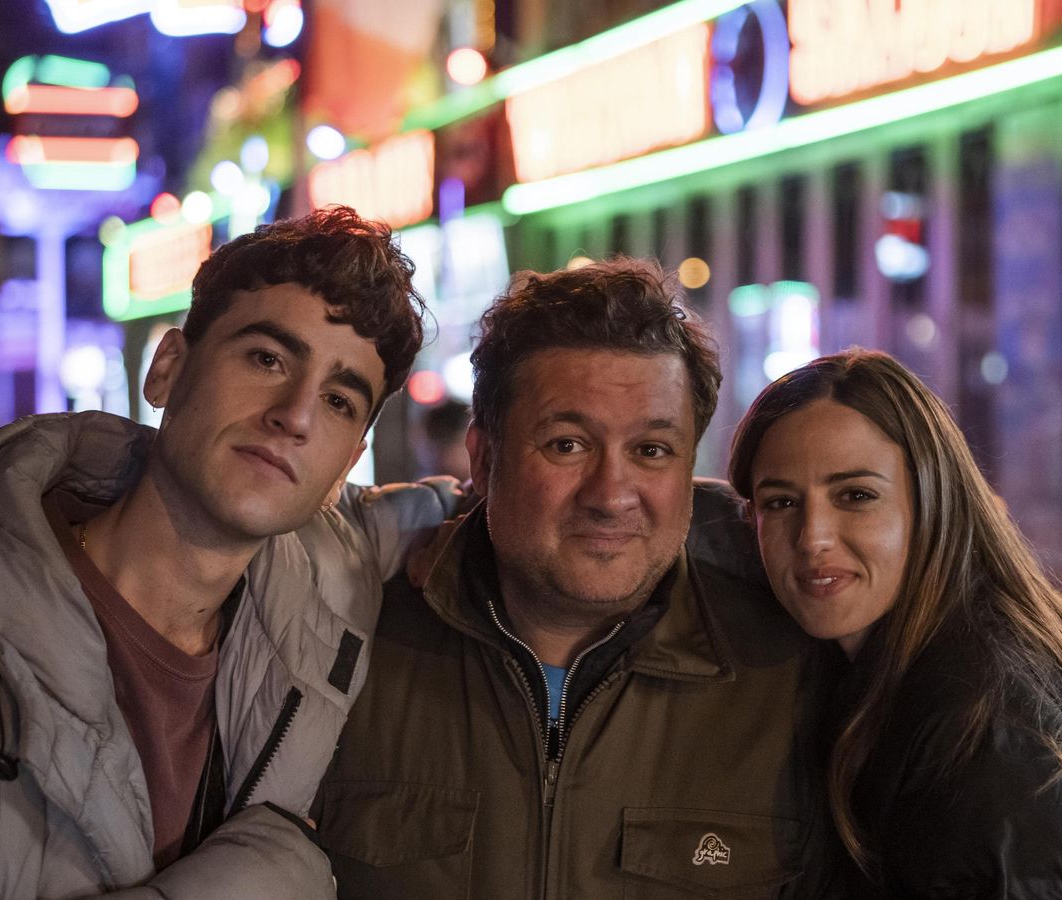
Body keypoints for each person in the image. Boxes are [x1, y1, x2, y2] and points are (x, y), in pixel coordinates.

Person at [0, 206, 458, 898]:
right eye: (266, 358)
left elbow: (454, 512)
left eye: (339, 400)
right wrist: (268, 873)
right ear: (168, 372)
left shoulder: (324, 577)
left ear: (348, 461)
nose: (297, 414)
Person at [314, 259, 834, 898]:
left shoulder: (795, 679)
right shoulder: (341, 651)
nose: (611, 495)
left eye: (651, 451)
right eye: (567, 445)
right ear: (483, 457)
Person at [728, 349, 1062, 899]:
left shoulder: (986, 732)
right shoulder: (905, 669)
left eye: (856, 496)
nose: (812, 538)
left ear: (933, 503)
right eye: (780, 503)